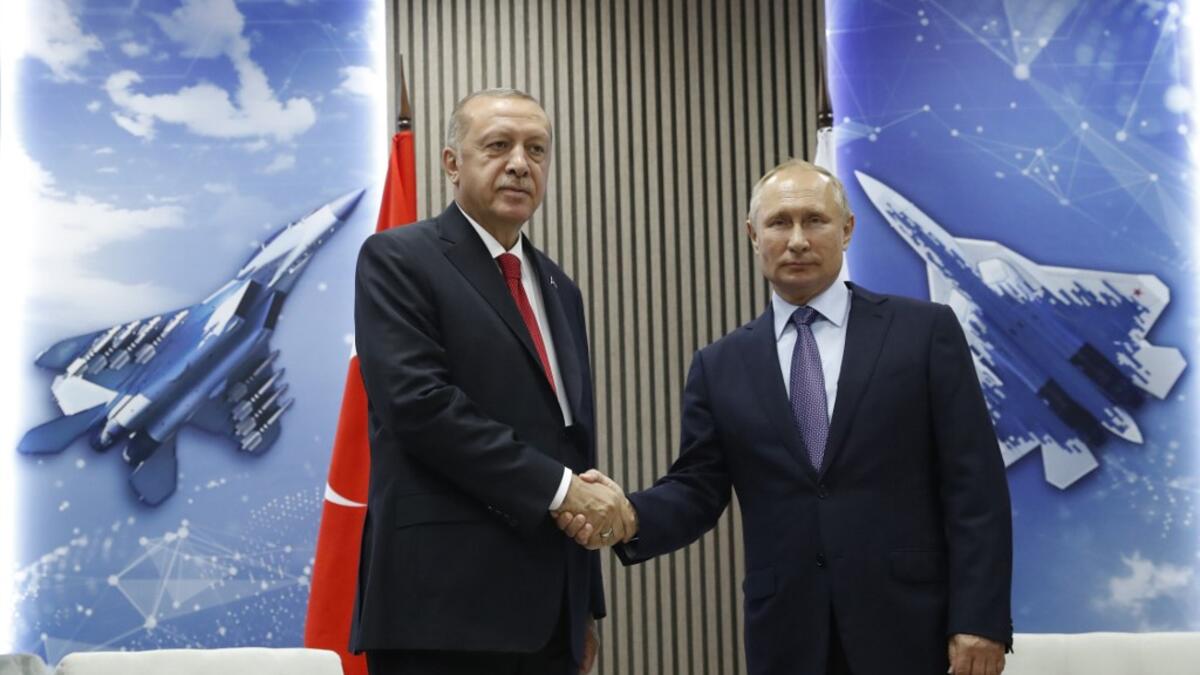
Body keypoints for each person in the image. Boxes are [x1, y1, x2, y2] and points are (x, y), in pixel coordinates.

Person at [558, 159, 1013, 675]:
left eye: (814, 220)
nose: (796, 239)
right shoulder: (720, 364)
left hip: (914, 631)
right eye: (779, 222)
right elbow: (697, 490)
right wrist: (631, 516)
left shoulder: (924, 332)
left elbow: (975, 487)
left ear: (846, 230)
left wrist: (981, 618)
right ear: (754, 236)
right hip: (788, 638)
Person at [351, 88, 625, 675]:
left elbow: (571, 442)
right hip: (440, 616)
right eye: (498, 146)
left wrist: (584, 610)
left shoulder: (559, 288)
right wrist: (560, 489)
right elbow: (420, 406)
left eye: (537, 149)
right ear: (452, 164)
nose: (521, 163)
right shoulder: (398, 259)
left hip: (549, 619)